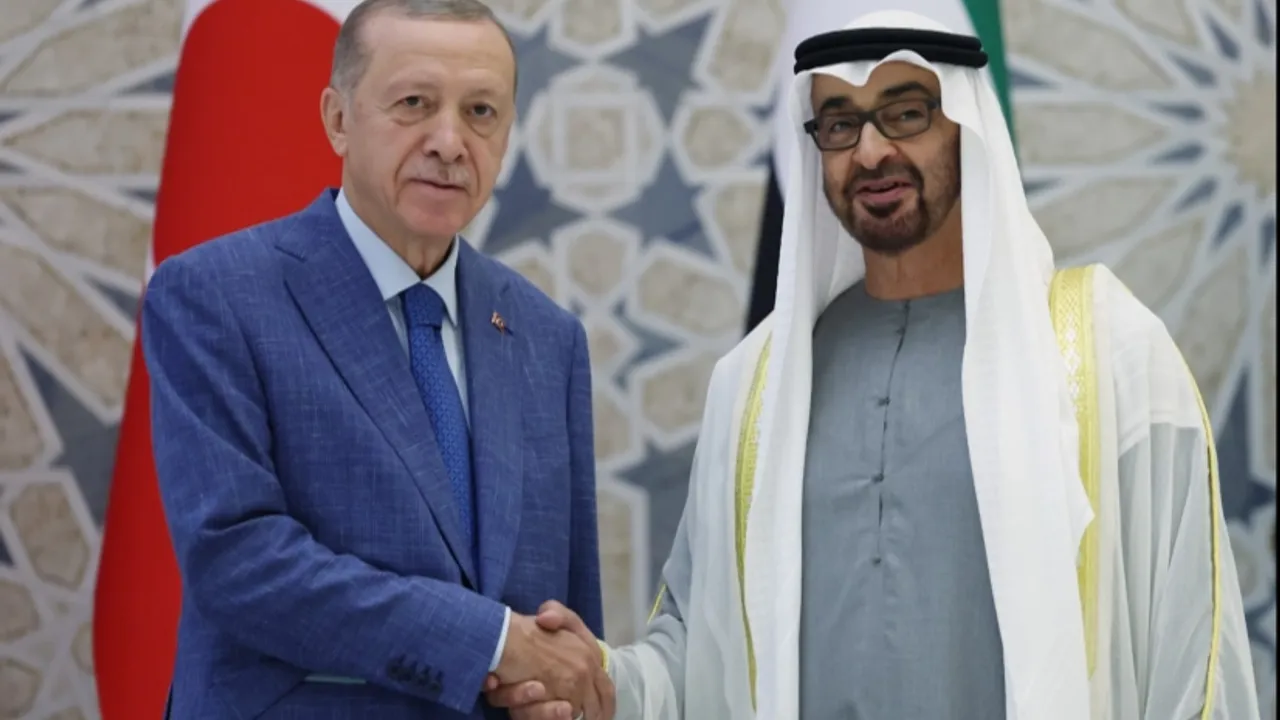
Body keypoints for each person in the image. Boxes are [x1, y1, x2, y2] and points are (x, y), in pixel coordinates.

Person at [487, 9, 1261, 720]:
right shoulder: (757, 386)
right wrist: (599, 680)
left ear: (965, 123)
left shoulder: (1105, 351)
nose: (871, 150)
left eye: (906, 112)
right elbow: (700, 655)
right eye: (839, 122)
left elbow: (1192, 659)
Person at [142, 0, 614, 717]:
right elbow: (237, 560)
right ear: (338, 119)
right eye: (414, 103)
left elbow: (568, 625)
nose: (450, 142)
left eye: (481, 112)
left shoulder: (549, 337)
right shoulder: (215, 295)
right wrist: (490, 644)